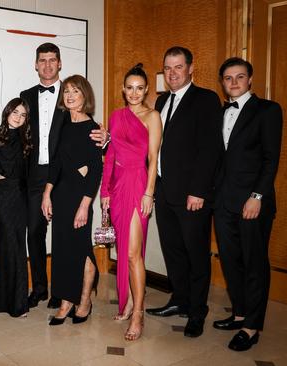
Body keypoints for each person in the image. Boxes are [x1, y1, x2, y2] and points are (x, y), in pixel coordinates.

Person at [21, 43, 104, 309]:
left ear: (59, 64)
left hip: (68, 178)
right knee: (36, 232)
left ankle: (68, 293)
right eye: (41, 60)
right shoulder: (26, 96)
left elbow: (89, 140)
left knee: (72, 237)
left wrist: (107, 138)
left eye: (52, 60)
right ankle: (42, 288)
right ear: (36, 65)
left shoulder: (71, 103)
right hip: (38, 175)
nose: (47, 65)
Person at [146, 46, 221, 338]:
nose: (172, 73)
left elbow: (210, 150)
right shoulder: (162, 101)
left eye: (178, 67)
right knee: (173, 251)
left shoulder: (206, 99)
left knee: (196, 254)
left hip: (192, 194)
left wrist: (199, 191)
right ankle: (179, 300)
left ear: (191, 68)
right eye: (168, 68)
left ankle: (197, 312)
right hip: (164, 190)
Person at [212, 57, 282, 351]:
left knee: (254, 263)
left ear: (250, 79)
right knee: (230, 261)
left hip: (253, 202)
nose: (234, 82)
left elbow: (270, 159)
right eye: (228, 78)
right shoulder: (221, 112)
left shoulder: (267, 110)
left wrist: (257, 196)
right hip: (223, 201)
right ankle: (239, 313)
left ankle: (252, 326)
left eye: (240, 77)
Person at [100, 64, 162, 340]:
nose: (134, 93)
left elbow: (153, 159)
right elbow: (110, 156)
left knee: (133, 252)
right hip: (118, 184)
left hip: (138, 185)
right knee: (122, 248)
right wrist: (105, 193)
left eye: (139, 88)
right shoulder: (116, 116)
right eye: (129, 88)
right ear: (123, 90)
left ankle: (138, 313)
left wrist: (149, 193)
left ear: (146, 89)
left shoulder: (153, 116)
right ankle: (126, 303)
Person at [41, 75, 103, 326]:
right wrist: (47, 194)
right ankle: (67, 301)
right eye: (66, 91)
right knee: (63, 249)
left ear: (85, 96)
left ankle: (85, 300)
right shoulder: (64, 123)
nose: (69, 95)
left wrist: (85, 206)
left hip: (80, 197)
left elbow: (95, 171)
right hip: (61, 194)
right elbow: (55, 163)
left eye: (75, 91)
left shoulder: (93, 129)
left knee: (81, 250)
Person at [0, 98, 33, 318]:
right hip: (3, 198)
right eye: (15, 112)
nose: (18, 117)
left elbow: (24, 172)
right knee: (6, 246)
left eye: (23, 115)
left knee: (17, 246)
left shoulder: (27, 140)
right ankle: (3, 301)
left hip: (21, 197)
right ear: (7, 112)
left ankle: (16, 303)